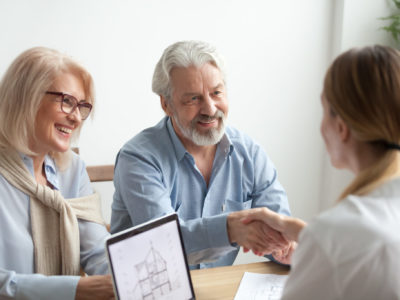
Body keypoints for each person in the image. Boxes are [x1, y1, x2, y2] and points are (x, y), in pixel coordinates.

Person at [111, 40, 290, 269]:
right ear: (166, 104)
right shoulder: (138, 159)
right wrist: (230, 229)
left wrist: (286, 248)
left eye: (216, 93)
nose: (210, 109)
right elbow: (165, 245)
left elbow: (279, 231)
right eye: (193, 99)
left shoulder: (249, 153)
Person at [241, 45, 400, 299]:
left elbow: (346, 245)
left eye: (324, 110)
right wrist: (302, 231)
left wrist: (318, 238)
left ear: (341, 127)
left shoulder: (335, 236)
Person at [0, 47, 114, 300]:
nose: (76, 118)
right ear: (25, 98)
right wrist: (73, 290)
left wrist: (125, 275)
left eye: (82, 106)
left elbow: (97, 251)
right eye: (66, 101)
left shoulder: (72, 169)